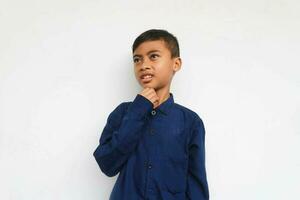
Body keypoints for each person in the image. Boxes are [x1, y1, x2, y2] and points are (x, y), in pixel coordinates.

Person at [93, 29, 209, 200]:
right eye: (137, 59)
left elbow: (196, 181)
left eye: (153, 56)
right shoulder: (123, 113)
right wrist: (138, 111)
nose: (143, 65)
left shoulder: (190, 122)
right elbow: (107, 164)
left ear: (175, 64)